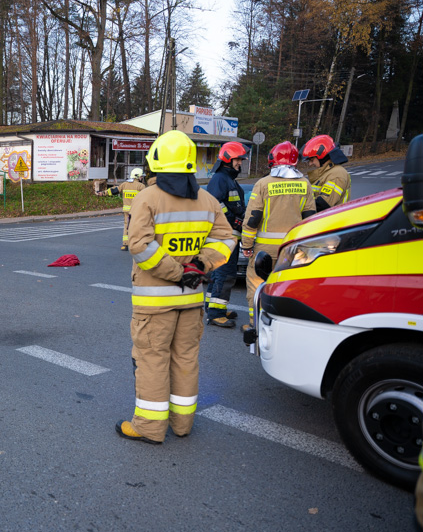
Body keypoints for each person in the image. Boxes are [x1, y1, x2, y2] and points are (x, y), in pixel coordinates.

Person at [116, 131, 236, 444]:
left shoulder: (147, 198)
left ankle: (148, 427)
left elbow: (139, 245)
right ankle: (183, 425)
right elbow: (226, 239)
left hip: (155, 304)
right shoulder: (207, 200)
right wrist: (200, 265)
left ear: (154, 163)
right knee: (185, 360)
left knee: (153, 361)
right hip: (192, 300)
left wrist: (176, 272)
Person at [240, 141, 316, 333]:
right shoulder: (305, 184)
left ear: (272, 160)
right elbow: (310, 218)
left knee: (257, 285)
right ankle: (286, 326)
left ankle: (255, 324)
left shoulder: (263, 184)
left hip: (264, 250)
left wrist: (246, 245)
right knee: (289, 286)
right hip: (293, 249)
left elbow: (253, 218)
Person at [204, 142, 250, 328]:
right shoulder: (220, 179)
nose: (240, 163)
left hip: (230, 233)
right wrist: (234, 219)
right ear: (228, 159)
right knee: (225, 273)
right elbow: (215, 204)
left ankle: (212, 307)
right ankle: (216, 313)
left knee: (219, 273)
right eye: (238, 159)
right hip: (224, 234)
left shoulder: (230, 180)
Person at [301, 134, 351, 212]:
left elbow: (323, 204)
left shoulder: (337, 174)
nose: (310, 164)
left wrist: (299, 207)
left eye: (312, 160)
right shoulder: (326, 172)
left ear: (322, 156)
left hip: (333, 220)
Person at [101, 168, 147, 250]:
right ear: (137, 176)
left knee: (127, 226)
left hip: (127, 211)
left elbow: (114, 190)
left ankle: (125, 244)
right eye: (140, 177)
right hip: (137, 211)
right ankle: (139, 243)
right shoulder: (141, 186)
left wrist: (103, 193)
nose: (141, 178)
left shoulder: (125, 184)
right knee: (139, 226)